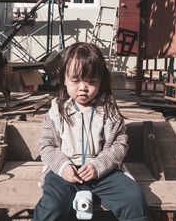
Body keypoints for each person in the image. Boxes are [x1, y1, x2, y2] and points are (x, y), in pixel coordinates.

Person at [33, 42, 148, 221]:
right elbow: (46, 144)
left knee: (134, 198)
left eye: (91, 81)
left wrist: (98, 165)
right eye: (75, 80)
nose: (83, 87)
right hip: (64, 174)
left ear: (101, 80)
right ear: (64, 79)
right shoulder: (56, 110)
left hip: (103, 174)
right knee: (50, 207)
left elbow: (119, 144)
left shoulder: (109, 110)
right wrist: (63, 167)